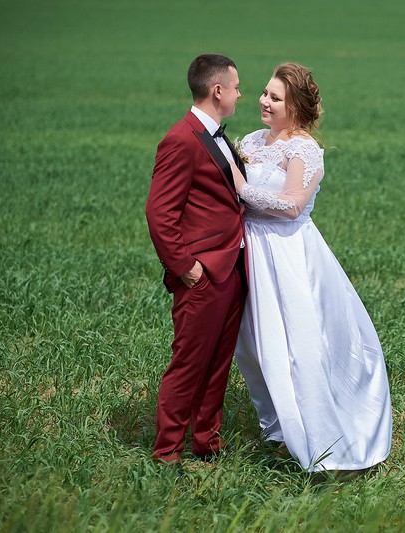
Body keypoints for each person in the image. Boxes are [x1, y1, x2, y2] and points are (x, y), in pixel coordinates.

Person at [228, 62, 392, 472]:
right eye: (265, 93)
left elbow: (292, 205)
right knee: (249, 346)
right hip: (250, 251)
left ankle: (315, 434)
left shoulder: (303, 149)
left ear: (296, 107)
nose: (264, 101)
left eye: (275, 97)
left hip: (286, 254)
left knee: (296, 345)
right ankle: (276, 429)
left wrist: (240, 187)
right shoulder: (252, 140)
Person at [145, 54, 248, 468]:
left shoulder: (218, 136)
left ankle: (206, 441)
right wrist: (185, 267)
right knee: (189, 361)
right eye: (237, 87)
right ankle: (167, 450)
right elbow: (159, 213)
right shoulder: (181, 139)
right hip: (202, 275)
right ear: (217, 90)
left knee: (219, 361)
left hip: (233, 269)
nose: (241, 94)